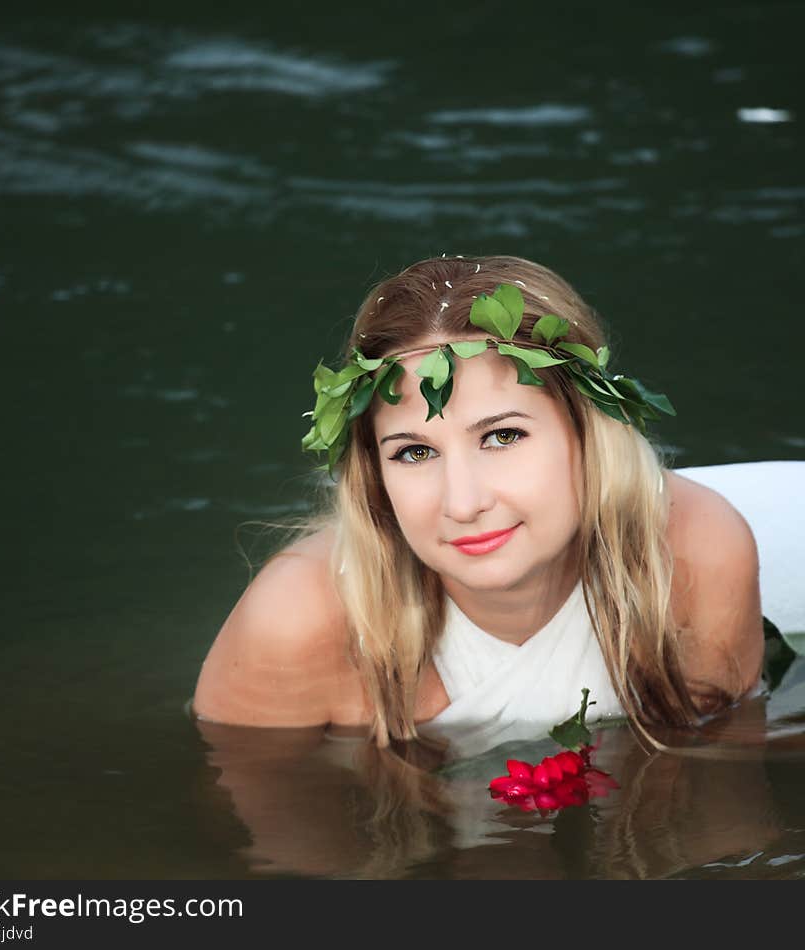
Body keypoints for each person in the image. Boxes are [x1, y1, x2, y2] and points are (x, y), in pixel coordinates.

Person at [192, 254, 766, 748]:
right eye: (414, 453)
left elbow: (712, 799)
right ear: (375, 475)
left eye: (502, 436)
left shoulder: (696, 551)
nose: (462, 504)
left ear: (589, 433)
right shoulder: (295, 620)